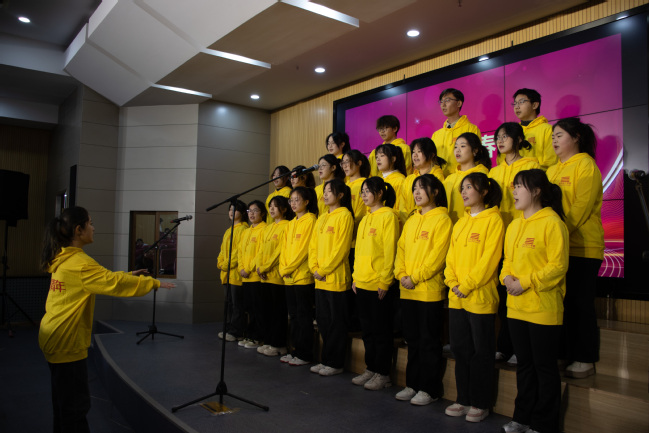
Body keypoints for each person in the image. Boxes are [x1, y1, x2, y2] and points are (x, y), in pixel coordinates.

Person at [39, 206, 175, 432]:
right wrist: (153, 283)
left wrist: (129, 275)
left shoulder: (64, 257)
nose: (93, 228)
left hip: (54, 337)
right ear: (79, 230)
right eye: (90, 223)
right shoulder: (80, 263)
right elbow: (114, 285)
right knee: (74, 411)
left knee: (63, 406)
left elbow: (104, 278)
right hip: (66, 342)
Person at [500, 169, 569, 433]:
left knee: (544, 368)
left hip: (543, 308)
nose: (514, 191)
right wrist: (507, 278)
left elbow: (558, 266)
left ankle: (543, 424)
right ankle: (522, 417)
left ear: (537, 191)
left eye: (520, 186)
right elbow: (507, 261)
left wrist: (525, 282)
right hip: (516, 307)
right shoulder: (514, 225)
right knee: (524, 366)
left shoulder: (552, 223)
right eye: (514, 186)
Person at [546, 117, 604, 379]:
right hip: (558, 248)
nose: (554, 141)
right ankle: (562, 353)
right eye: (552, 137)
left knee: (580, 303)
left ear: (576, 137)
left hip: (583, 247)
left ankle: (585, 358)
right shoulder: (551, 170)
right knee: (560, 303)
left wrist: (557, 233)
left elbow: (581, 207)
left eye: (559, 135)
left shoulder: (586, 165)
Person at [444, 173, 504, 423]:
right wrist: (452, 282)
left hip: (480, 297)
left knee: (482, 352)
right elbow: (450, 258)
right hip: (457, 297)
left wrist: (467, 285)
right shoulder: (460, 222)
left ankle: (481, 402)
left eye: (469, 187)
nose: (464, 192)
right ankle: (463, 398)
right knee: (461, 350)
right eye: (462, 188)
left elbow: (489, 260)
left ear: (484, 191)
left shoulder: (494, 220)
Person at [394, 174, 452, 406]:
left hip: (428, 290)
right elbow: (401, 250)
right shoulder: (411, 220)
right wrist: (401, 274)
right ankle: (413, 384)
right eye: (415, 189)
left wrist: (415, 277)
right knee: (413, 340)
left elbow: (438, 257)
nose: (416, 192)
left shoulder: (442, 220)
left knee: (429, 341)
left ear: (435, 192)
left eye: (422, 188)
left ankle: (429, 389)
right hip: (407, 289)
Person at [489, 123, 540, 365]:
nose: (500, 141)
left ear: (518, 139)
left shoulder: (531, 165)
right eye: (497, 137)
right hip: (499, 235)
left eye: (505, 137)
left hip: (523, 235)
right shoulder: (494, 172)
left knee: (522, 292)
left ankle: (522, 349)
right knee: (504, 294)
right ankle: (504, 346)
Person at [351, 177, 400, 390]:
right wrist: (355, 277)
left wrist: (385, 280)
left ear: (380, 193)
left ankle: (383, 373)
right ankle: (371, 368)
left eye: (367, 191)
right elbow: (359, 252)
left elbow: (390, 250)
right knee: (367, 331)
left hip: (378, 284)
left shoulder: (388, 216)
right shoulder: (365, 219)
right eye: (362, 191)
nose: (363, 195)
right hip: (361, 282)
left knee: (381, 331)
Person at [309, 178, 354, 377]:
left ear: (341, 195)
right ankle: (326, 359)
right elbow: (312, 246)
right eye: (324, 191)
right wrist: (314, 267)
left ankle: (335, 363)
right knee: (323, 321)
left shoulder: (345, 216)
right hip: (320, 279)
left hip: (336, 279)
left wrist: (324, 269)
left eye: (329, 191)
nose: (325, 194)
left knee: (337, 323)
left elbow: (341, 249)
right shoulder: (322, 217)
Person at [279, 187, 319, 366]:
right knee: (294, 316)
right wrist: (283, 269)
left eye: (297, 200)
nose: (293, 203)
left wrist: (288, 268)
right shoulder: (290, 223)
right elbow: (284, 249)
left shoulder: (311, 220)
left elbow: (304, 250)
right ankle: (295, 350)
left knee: (304, 316)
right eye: (291, 200)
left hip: (302, 276)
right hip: (288, 277)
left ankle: (305, 354)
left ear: (307, 201)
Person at [256, 196, 294, 357]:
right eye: (270, 206)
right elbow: (261, 249)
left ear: (284, 209)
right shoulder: (268, 227)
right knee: (267, 311)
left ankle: (279, 344)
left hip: (276, 276)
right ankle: (269, 341)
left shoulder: (287, 225)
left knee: (278, 312)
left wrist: (265, 267)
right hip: (263, 275)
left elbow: (280, 251)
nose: (271, 209)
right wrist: (259, 266)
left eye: (275, 206)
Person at [217, 200, 249, 342]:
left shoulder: (243, 229)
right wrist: (220, 262)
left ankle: (237, 332)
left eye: (235, 209)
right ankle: (229, 329)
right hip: (226, 273)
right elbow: (222, 251)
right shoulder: (228, 230)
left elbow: (238, 252)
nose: (231, 212)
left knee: (237, 305)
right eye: (230, 209)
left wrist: (226, 264)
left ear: (242, 213)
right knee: (229, 303)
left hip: (235, 273)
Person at [237, 200, 268, 349]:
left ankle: (258, 337)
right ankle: (250, 335)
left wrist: (248, 268)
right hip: (245, 277)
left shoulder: (265, 229)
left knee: (258, 309)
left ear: (262, 213)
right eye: (249, 211)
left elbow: (261, 253)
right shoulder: (246, 231)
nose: (252, 214)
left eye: (255, 211)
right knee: (249, 308)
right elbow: (240, 252)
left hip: (255, 276)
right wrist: (241, 268)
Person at [431, 88, 481, 176]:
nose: (443, 105)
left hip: (464, 178)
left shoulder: (471, 129)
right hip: (440, 180)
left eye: (447, 100)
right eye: (441, 101)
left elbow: (476, 158)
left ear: (459, 103)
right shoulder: (436, 135)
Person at [443, 132, 491, 223]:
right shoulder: (449, 179)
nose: (457, 150)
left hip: (472, 225)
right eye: (456, 147)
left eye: (462, 146)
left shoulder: (482, 175)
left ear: (475, 150)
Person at [397, 137, 446, 225]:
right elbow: (402, 207)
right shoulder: (409, 179)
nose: (415, 155)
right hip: (409, 225)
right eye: (413, 152)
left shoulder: (437, 177)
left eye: (419, 151)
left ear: (431, 155)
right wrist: (410, 223)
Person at [509, 88, 556, 170]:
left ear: (534, 105)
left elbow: (551, 162)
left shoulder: (547, 130)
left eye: (521, 102)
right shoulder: (512, 132)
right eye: (515, 103)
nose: (516, 107)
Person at [374, 143, 408, 210]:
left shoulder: (400, 181)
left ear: (393, 159)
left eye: (382, 155)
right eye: (376, 157)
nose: (378, 159)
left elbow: (400, 208)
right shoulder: (378, 181)